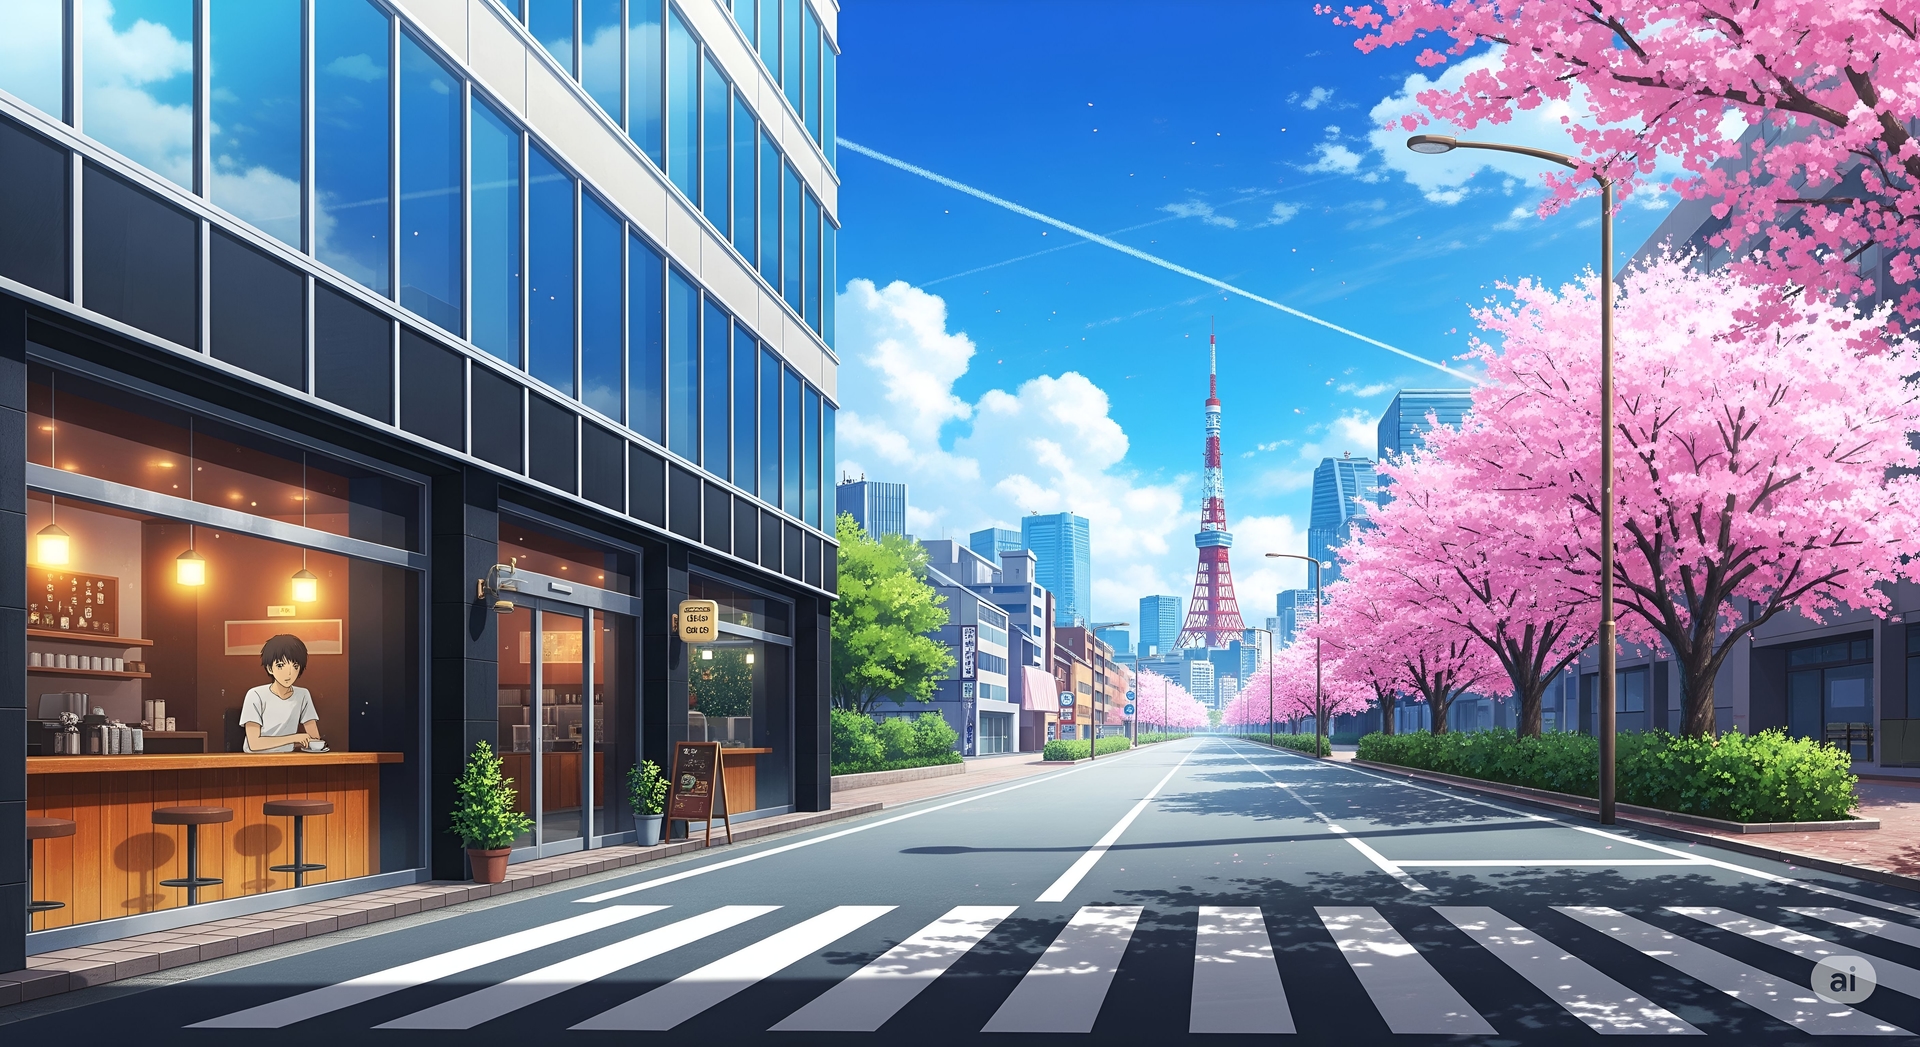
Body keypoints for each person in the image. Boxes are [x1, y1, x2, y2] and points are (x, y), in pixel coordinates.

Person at [241, 634, 324, 753]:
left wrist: (308, 742)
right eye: (280, 665)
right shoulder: (255, 694)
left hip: (287, 758)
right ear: (270, 668)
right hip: (255, 760)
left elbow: (314, 739)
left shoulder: (303, 695)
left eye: (295, 666)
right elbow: (254, 744)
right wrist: (294, 738)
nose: (289, 673)